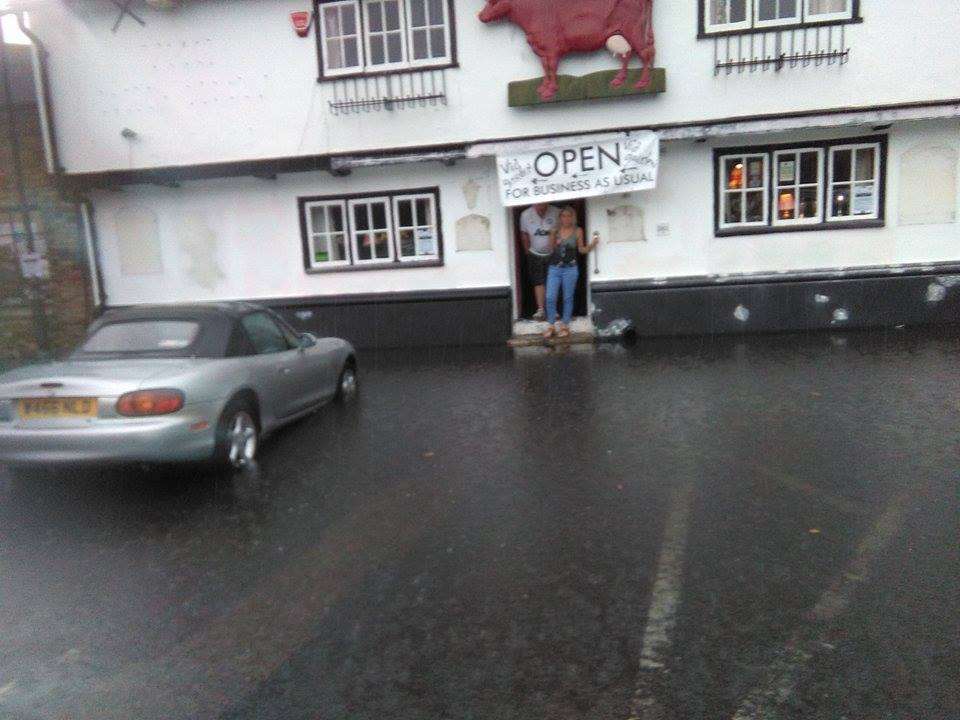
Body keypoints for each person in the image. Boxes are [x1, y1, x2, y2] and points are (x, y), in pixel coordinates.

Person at [543, 205, 598, 339]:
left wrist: (593, 244)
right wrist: (553, 239)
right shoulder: (554, 230)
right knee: (550, 297)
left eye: (569, 216)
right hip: (554, 267)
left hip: (570, 268)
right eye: (563, 216)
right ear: (560, 217)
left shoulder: (578, 230)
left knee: (568, 297)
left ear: (573, 217)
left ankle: (565, 325)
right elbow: (550, 249)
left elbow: (581, 250)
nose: (566, 218)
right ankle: (551, 325)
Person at [519, 202, 560, 321]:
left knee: (553, 281)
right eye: (538, 206)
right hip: (534, 253)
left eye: (543, 206)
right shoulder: (525, 214)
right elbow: (524, 234)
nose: (541, 209)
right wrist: (527, 252)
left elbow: (562, 231)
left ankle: (553, 309)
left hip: (553, 253)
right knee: (538, 282)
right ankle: (541, 309)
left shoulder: (556, 212)